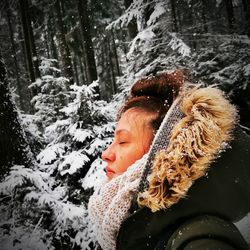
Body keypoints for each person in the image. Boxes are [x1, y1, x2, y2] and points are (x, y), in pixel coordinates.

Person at [88, 70, 250, 250]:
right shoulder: (151, 230)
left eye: (123, 141)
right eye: (113, 141)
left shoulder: (198, 240)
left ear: (160, 154)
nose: (106, 154)